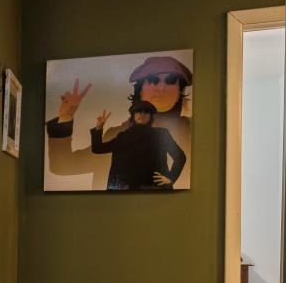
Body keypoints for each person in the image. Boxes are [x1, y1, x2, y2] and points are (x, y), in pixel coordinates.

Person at [45, 53, 193, 189]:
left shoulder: (193, 132)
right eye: (153, 80)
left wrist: (171, 178)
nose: (161, 87)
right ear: (140, 90)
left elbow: (180, 157)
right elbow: (63, 165)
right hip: (116, 209)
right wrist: (66, 116)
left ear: (180, 90)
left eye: (171, 80)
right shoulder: (118, 135)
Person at [87, 100, 186, 190]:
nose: (142, 114)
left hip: (154, 189)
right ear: (133, 115)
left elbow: (180, 156)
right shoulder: (123, 136)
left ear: (151, 116)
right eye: (138, 111)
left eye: (146, 111)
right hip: (125, 191)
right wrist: (98, 129)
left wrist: (171, 177)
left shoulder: (161, 134)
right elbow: (97, 149)